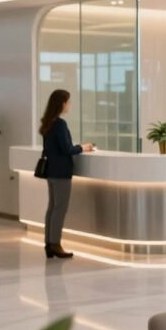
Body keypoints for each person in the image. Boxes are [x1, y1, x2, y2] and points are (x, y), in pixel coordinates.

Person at [39, 89, 95, 259]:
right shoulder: (60, 124)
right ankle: (55, 244)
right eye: (68, 102)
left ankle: (49, 243)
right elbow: (67, 149)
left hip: (51, 172)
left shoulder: (48, 123)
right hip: (61, 172)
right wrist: (83, 147)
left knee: (52, 208)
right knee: (59, 209)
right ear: (61, 103)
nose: (69, 105)